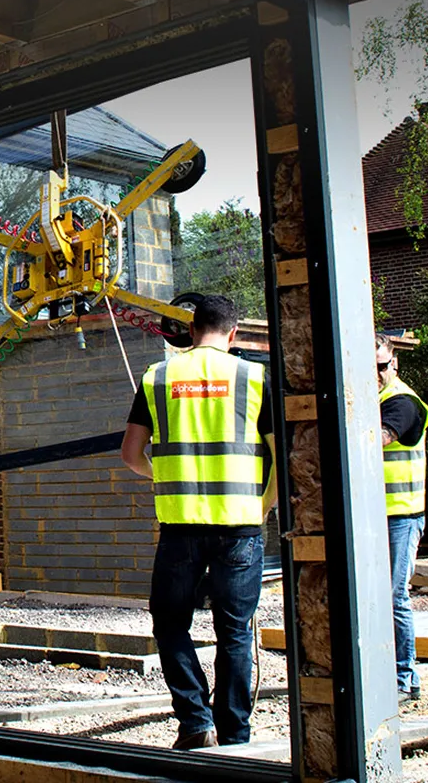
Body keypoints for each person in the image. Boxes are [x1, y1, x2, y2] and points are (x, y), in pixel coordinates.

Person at [120, 294, 276, 750]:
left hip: (181, 524)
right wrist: (264, 505)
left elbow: (131, 455)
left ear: (191, 330)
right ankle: (234, 735)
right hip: (241, 525)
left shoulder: (158, 378)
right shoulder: (253, 377)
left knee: (170, 624)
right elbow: (282, 456)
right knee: (233, 632)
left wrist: (167, 474)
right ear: (233, 334)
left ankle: (194, 721)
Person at [374, 333, 428, 705]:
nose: (376, 373)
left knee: (396, 597)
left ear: (394, 364)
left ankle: (404, 677)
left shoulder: (401, 401)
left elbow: (374, 438)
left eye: (381, 366)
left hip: (400, 517)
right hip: (373, 517)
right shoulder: (371, 399)